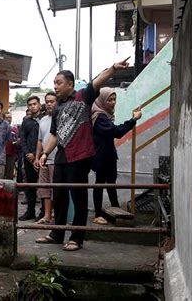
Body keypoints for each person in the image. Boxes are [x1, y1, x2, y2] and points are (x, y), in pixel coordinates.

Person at [36, 58, 130, 251]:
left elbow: (97, 81)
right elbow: (54, 135)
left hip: (80, 155)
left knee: (78, 197)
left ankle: (77, 238)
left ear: (70, 85)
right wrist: (45, 153)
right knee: (60, 196)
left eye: (59, 82)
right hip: (62, 155)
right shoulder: (58, 108)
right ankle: (57, 233)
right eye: (54, 83)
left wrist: (112, 68)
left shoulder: (82, 97)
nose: (55, 86)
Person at [91, 88, 142, 225]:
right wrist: (133, 120)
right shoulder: (99, 117)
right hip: (101, 156)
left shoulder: (105, 115)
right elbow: (117, 132)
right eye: (109, 100)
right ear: (102, 100)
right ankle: (97, 214)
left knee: (111, 184)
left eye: (114, 99)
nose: (113, 103)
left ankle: (116, 210)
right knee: (100, 184)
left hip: (108, 155)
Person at [34, 92, 58, 225]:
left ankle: (56, 215)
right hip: (44, 160)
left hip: (56, 159)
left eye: (52, 101)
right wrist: (37, 157)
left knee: (56, 190)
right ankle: (47, 215)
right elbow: (39, 140)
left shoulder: (60, 117)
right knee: (44, 190)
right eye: (47, 101)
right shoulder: (43, 120)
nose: (49, 104)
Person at [19, 96, 42, 221]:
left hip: (42, 157)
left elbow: (47, 138)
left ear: (39, 105)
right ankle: (30, 211)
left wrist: (36, 154)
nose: (32, 106)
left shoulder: (45, 120)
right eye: (30, 104)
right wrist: (28, 154)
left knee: (44, 185)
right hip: (28, 159)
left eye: (35, 104)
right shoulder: (26, 122)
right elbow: (22, 139)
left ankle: (44, 212)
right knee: (30, 185)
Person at [3, 112, 18, 180]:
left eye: (10, 117)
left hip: (11, 154)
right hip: (2, 154)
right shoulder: (1, 128)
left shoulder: (14, 129)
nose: (9, 119)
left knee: (9, 174)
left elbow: (17, 140)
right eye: (7, 118)